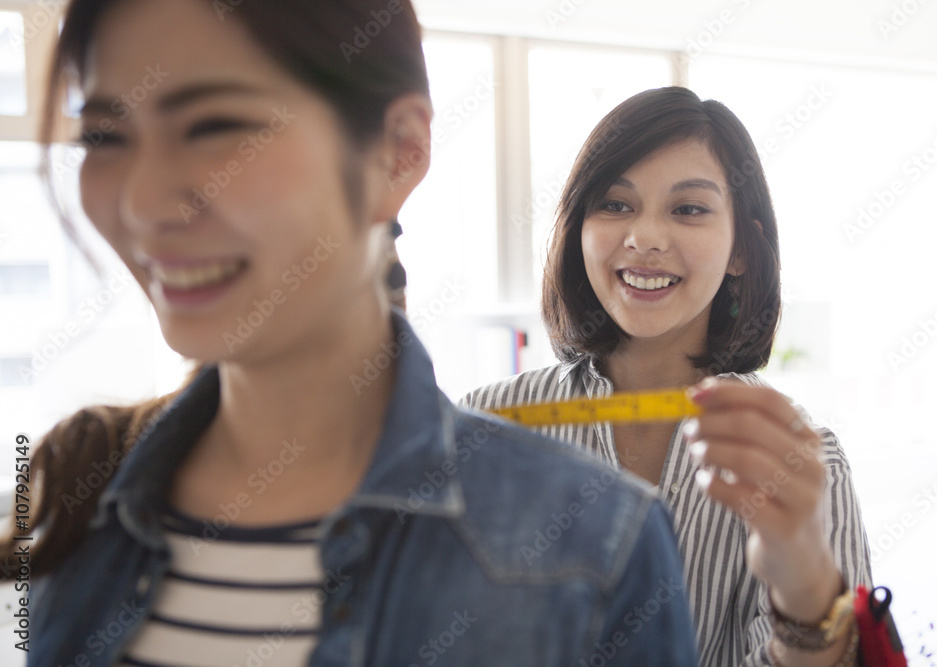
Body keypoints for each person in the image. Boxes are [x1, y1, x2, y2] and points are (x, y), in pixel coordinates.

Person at [0, 2, 700, 665]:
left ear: (398, 151)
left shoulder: (594, 546)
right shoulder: (75, 503)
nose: (143, 202)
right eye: (104, 135)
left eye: (213, 125)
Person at [462, 87, 873, 666]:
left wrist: (803, 584)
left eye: (689, 209)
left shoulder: (802, 461)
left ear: (741, 251)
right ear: (579, 228)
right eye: (614, 204)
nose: (646, 237)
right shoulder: (485, 428)